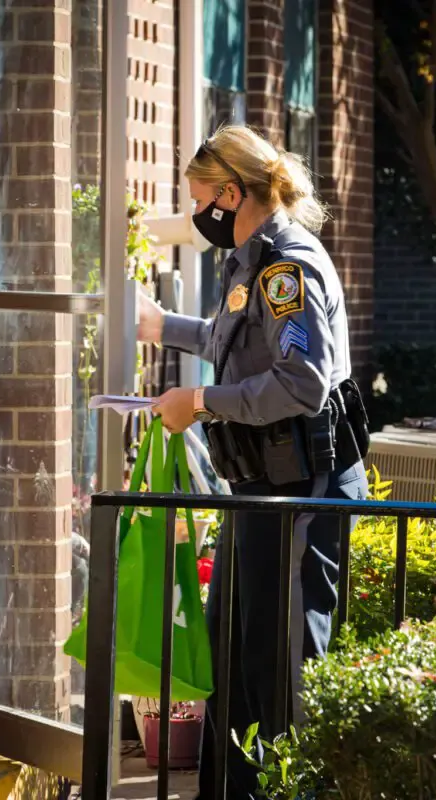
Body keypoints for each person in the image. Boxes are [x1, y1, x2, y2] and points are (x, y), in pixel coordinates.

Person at [137, 124, 370, 799]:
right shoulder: (252, 259)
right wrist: (164, 328)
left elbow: (301, 383)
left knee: (285, 671)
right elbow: (234, 337)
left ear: (233, 192)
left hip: (301, 495)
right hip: (261, 492)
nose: (197, 215)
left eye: (202, 199)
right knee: (236, 658)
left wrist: (201, 401)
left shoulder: (288, 266)